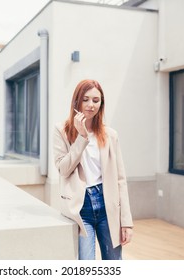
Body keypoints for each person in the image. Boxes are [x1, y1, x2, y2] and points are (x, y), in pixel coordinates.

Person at [53, 79, 133, 260]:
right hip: (82, 208)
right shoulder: (62, 131)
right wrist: (81, 137)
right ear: (77, 102)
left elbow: (120, 179)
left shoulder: (110, 135)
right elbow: (63, 169)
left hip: (108, 205)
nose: (90, 105)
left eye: (96, 101)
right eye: (86, 99)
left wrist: (126, 222)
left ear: (101, 104)